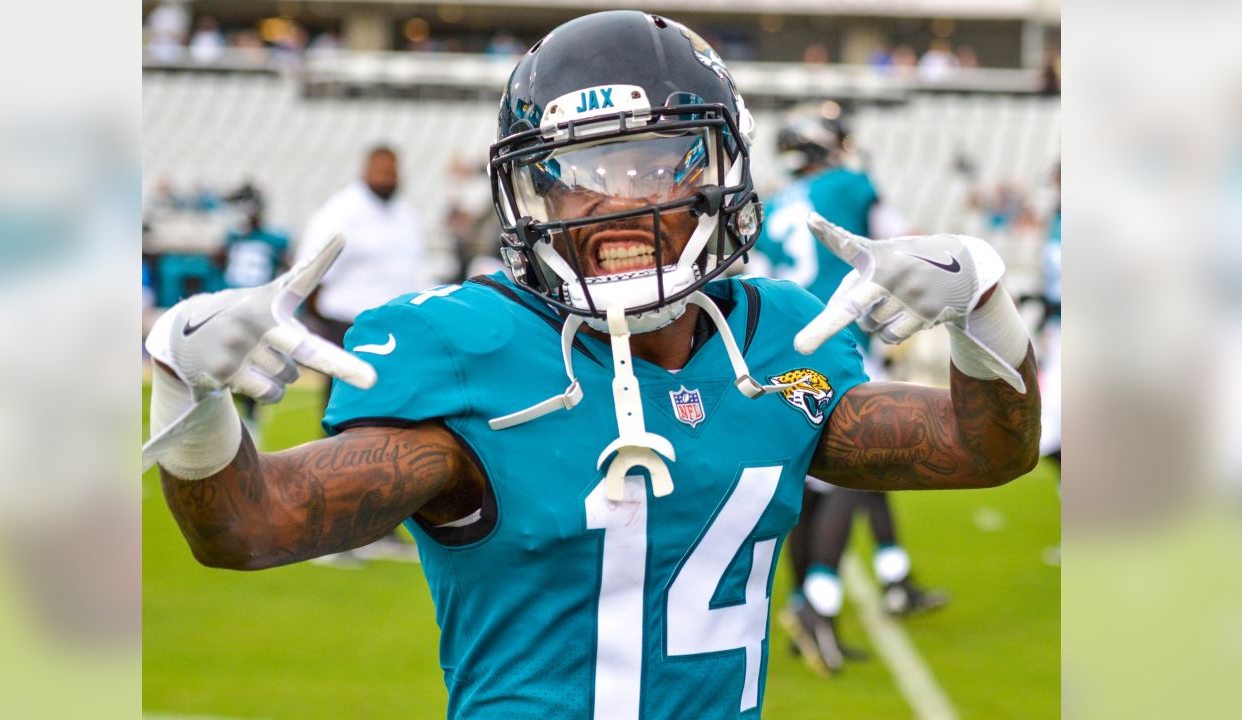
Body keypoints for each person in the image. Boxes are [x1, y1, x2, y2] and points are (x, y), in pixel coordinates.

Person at [143, 12, 1040, 719]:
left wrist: (983, 307)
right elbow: (249, 528)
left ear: (717, 172)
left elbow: (984, 449)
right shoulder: (470, 353)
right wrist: (189, 393)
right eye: (575, 170)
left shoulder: (777, 345)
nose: (614, 200)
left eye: (651, 163)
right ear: (528, 190)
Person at [752, 103, 948, 676]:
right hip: (842, 349)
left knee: (802, 487)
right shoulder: (851, 184)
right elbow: (909, 247)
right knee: (854, 476)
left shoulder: (772, 207)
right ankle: (820, 602)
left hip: (780, 351)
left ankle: (803, 605)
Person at [294, 144, 428, 563]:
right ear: (365, 169)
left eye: (392, 170)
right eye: (380, 169)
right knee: (342, 431)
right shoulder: (342, 211)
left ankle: (377, 527)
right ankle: (324, 535)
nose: (387, 177)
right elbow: (309, 272)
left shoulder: (404, 216)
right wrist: (322, 335)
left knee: (387, 431)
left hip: (392, 334)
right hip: (346, 328)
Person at [217, 183, 289, 435]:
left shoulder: (273, 239)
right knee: (226, 364)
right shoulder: (234, 236)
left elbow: (286, 270)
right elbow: (219, 260)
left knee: (251, 366)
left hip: (257, 309)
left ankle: (250, 421)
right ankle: (230, 417)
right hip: (232, 307)